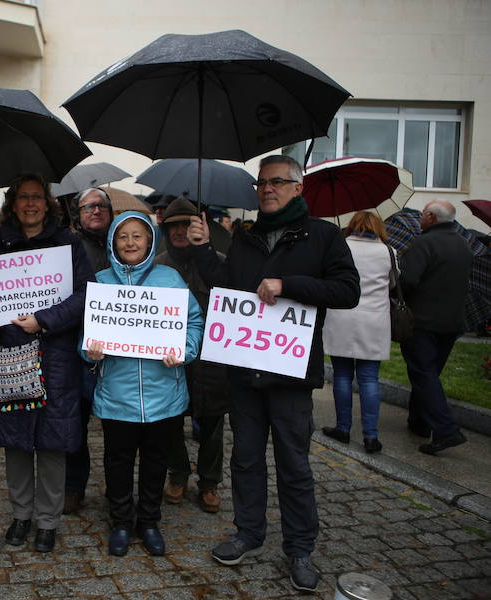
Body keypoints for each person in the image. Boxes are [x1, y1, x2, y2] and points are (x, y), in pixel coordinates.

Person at [187, 155, 359, 593]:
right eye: (262, 183)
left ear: (298, 188)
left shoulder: (322, 236)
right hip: (245, 373)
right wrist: (204, 249)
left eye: (278, 182)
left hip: (290, 375)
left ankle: (300, 549)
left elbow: (347, 290)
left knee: (293, 464)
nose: (268, 189)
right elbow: (227, 288)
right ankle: (248, 532)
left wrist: (289, 284)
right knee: (244, 459)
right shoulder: (246, 238)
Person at [0, 173, 93, 553]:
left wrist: (44, 320)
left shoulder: (68, 244)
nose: (31, 203)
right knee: (16, 442)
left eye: (37, 197)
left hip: (55, 357)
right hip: (11, 353)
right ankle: (21, 515)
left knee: (51, 442)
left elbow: (85, 295)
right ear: (13, 204)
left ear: (47, 204)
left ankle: (47, 521)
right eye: (24, 197)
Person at [82, 211, 203, 557]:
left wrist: (185, 349)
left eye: (138, 235)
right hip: (117, 395)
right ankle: (121, 521)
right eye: (123, 237)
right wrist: (90, 352)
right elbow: (86, 335)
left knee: (155, 460)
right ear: (112, 243)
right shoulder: (101, 282)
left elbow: (194, 322)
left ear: (150, 240)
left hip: (164, 393)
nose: (130, 243)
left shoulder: (170, 279)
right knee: (117, 461)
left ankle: (148, 521)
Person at [155, 198, 229, 514]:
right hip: (170, 358)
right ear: (166, 229)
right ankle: (178, 474)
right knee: (170, 421)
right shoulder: (156, 266)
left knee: (212, 421)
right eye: (175, 225)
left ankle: (210, 482)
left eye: (187, 224)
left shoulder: (219, 261)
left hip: (212, 357)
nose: (181, 231)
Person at [399, 200, 472, 455]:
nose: (420, 219)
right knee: (430, 373)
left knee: (422, 373)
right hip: (452, 322)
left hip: (422, 321)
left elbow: (407, 280)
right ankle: (419, 422)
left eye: (422, 215)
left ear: (430, 217)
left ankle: (446, 429)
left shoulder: (424, 243)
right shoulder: (463, 243)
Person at [321, 211, 393, 454]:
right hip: (373, 321)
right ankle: (371, 436)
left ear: (353, 225)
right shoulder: (388, 251)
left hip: (342, 315)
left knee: (342, 375)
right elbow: (393, 283)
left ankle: (343, 428)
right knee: (369, 378)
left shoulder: (341, 247)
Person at [64, 187, 114, 514]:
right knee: (76, 422)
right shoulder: (67, 248)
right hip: (77, 348)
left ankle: (117, 489)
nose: (95, 211)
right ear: (78, 215)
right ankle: (73, 486)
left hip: (117, 351)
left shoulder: (124, 243)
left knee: (116, 428)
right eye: (87, 207)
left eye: (101, 206)